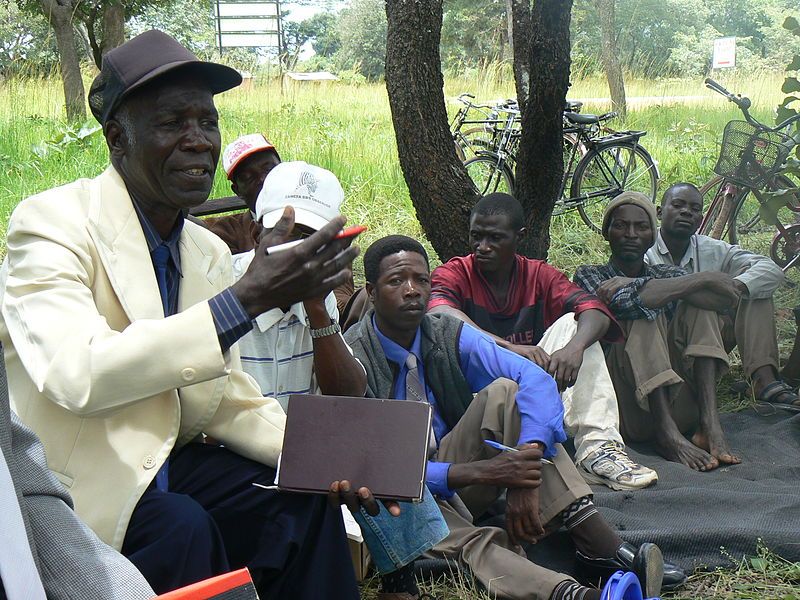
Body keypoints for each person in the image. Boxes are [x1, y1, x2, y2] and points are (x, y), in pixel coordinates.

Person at [0, 29, 369, 598]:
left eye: (208, 122)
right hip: (75, 482)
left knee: (302, 502)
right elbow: (78, 373)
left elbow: (224, 400)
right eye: (174, 123)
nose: (199, 141)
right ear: (118, 138)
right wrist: (244, 300)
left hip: (167, 469)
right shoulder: (50, 224)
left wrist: (333, 460)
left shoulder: (205, 250)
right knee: (182, 527)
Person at [345, 235, 687, 600]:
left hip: (451, 467)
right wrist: (480, 473)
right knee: (474, 542)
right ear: (372, 291)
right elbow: (367, 469)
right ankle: (573, 594)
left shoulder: (442, 332)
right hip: (396, 497)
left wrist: (526, 463)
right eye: (397, 281)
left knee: (505, 392)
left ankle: (595, 541)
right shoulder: (353, 357)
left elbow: (534, 378)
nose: (412, 291)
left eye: (421, 280)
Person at [428, 193, 657, 491]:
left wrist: (573, 349)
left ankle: (597, 449)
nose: (482, 247)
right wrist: (509, 348)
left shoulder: (538, 274)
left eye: (495, 238)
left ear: (518, 237)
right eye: (476, 236)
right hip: (476, 399)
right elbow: (440, 314)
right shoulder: (455, 272)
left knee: (573, 325)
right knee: (497, 377)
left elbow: (595, 311)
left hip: (534, 387)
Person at [574, 192, 741, 471]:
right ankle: (667, 434)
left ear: (653, 235)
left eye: (641, 227)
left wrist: (701, 278)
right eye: (620, 226)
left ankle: (710, 424)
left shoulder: (664, 273)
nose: (631, 234)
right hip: (626, 408)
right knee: (644, 316)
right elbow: (628, 303)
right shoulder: (589, 275)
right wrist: (681, 286)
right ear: (606, 233)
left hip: (681, 405)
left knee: (700, 308)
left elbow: (728, 298)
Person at [0, 356, 154, 600]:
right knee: (179, 525)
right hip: (92, 478)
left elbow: (15, 471)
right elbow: (79, 378)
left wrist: (124, 590)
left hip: (161, 461)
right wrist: (218, 324)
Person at [644, 182, 795, 408]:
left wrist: (736, 286)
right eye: (677, 205)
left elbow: (769, 269)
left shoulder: (711, 248)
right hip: (665, 345)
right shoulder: (643, 249)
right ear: (659, 211)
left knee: (755, 292)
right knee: (698, 308)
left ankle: (764, 380)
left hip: (711, 340)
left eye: (694, 209)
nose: (686, 212)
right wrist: (703, 287)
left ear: (700, 219)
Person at [230, 160, 366, 409]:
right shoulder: (220, 282)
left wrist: (316, 308)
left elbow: (349, 395)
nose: (303, 251)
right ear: (256, 234)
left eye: (314, 238)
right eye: (290, 232)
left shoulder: (319, 295)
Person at [201, 133, 281, 254]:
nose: (262, 179)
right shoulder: (227, 231)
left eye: (269, 169)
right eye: (249, 177)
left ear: (284, 169)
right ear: (237, 191)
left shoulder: (311, 208)